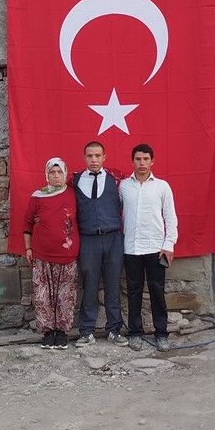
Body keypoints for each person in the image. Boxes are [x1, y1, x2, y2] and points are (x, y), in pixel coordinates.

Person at [119, 143, 178, 352]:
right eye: (138, 159)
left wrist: (168, 244)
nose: (142, 163)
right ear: (132, 161)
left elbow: (170, 217)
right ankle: (135, 333)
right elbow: (118, 214)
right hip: (131, 248)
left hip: (156, 248)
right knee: (133, 292)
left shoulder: (162, 186)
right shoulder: (124, 186)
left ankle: (161, 333)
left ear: (152, 161)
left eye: (145, 159)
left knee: (156, 291)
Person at [72, 140, 128, 348]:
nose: (94, 160)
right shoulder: (75, 180)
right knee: (89, 286)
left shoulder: (117, 179)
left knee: (113, 284)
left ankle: (114, 329)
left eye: (98, 156)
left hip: (113, 238)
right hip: (88, 240)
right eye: (90, 156)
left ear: (104, 157)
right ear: (84, 157)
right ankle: (86, 331)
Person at [22, 157, 80, 349]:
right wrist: (28, 248)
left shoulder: (74, 194)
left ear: (65, 173)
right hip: (41, 255)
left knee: (65, 296)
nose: (56, 176)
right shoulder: (37, 196)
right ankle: (47, 332)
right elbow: (27, 224)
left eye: (59, 172)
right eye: (52, 172)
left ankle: (62, 333)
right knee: (42, 296)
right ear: (46, 174)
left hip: (67, 255)